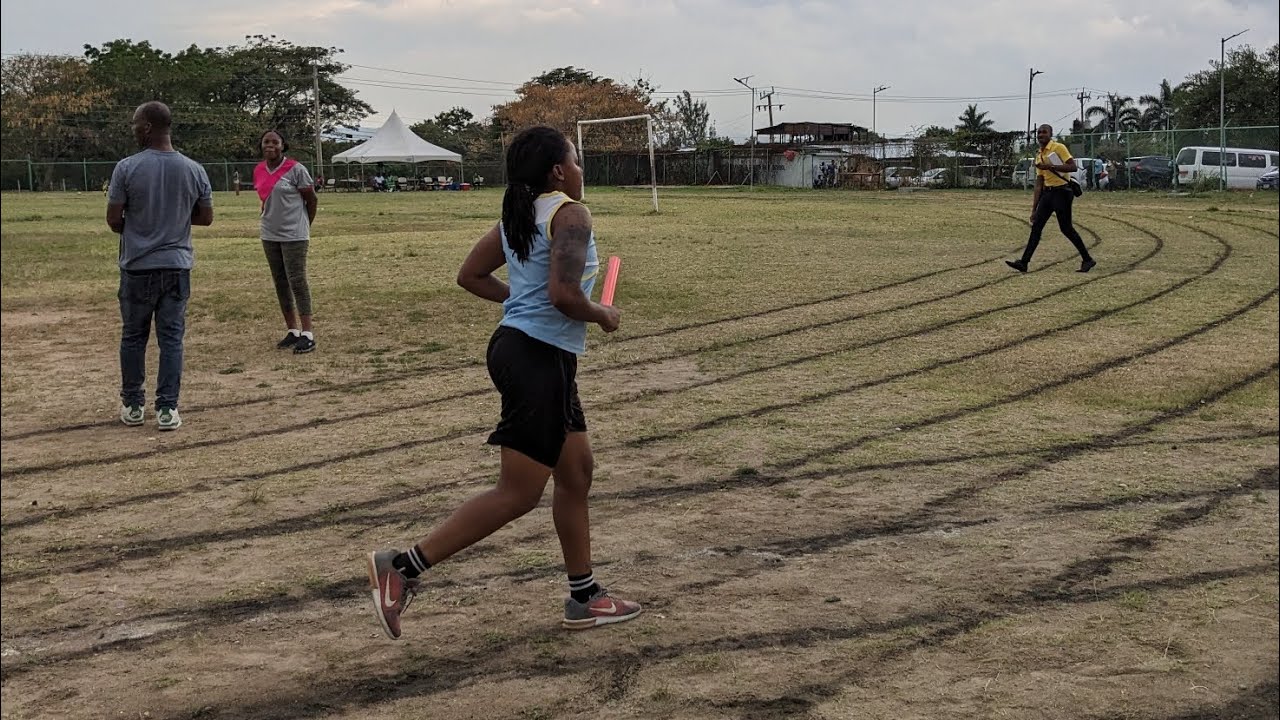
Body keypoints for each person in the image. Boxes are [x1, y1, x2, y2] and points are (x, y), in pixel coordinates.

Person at [365, 126, 641, 640]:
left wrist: (520, 301)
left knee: (576, 472)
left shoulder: (520, 212)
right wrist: (602, 313)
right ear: (558, 171)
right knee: (518, 493)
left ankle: (584, 597)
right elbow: (564, 296)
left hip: (533, 353)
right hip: (536, 357)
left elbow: (470, 275)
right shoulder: (570, 213)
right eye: (575, 160)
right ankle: (401, 568)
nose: (580, 170)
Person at [106, 101, 213, 431]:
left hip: (138, 267)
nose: (133, 129)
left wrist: (139, 225)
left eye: (135, 124)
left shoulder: (126, 168)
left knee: (133, 337)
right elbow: (206, 217)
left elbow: (113, 219)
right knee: (171, 339)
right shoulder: (194, 169)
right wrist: (175, 219)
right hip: (177, 267)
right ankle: (167, 409)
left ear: (148, 127)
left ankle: (133, 405)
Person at [254, 129, 318, 353]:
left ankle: (308, 333)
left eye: (275, 142)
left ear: (283, 146)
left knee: (297, 281)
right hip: (269, 234)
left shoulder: (296, 169)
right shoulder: (259, 169)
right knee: (280, 282)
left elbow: (311, 200)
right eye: (266, 142)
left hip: (294, 235)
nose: (270, 145)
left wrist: (304, 225)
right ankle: (293, 331)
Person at [1006, 124, 1096, 274]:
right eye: (1039, 132)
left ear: (1050, 134)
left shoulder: (1058, 148)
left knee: (1066, 228)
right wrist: (1034, 209)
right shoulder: (1039, 155)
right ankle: (1024, 262)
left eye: (1044, 132)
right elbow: (1039, 184)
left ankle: (1087, 259)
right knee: (1036, 227)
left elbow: (1072, 167)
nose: (1041, 135)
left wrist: (1051, 167)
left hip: (1062, 192)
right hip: (1047, 193)